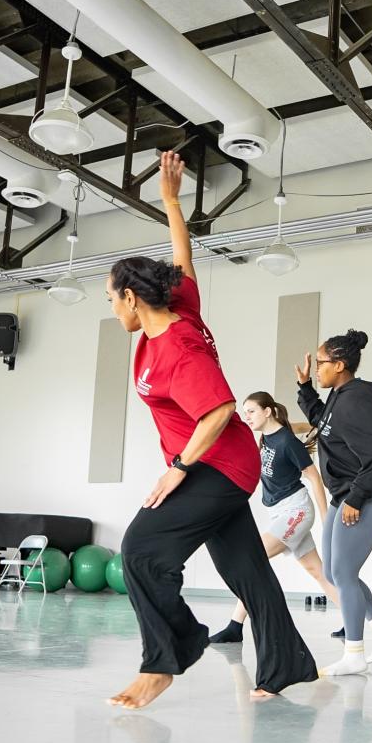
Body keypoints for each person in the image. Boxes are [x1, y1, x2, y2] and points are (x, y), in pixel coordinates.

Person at [105, 151, 317, 709]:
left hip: (218, 466)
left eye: (111, 299)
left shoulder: (177, 344)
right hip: (224, 464)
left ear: (130, 298)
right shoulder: (178, 307)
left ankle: (169, 656)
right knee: (244, 567)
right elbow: (184, 260)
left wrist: (177, 470)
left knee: (140, 549)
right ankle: (287, 665)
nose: (112, 309)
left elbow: (219, 409)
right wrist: (172, 203)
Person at [295, 330, 372, 676]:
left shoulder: (356, 400)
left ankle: (354, 653)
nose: (319, 368)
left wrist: (357, 497)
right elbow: (322, 424)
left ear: (339, 365)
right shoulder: (339, 397)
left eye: (322, 363)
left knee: (342, 572)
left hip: (369, 494)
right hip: (350, 494)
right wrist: (306, 388)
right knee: (334, 571)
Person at [206, 391, 343, 644]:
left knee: (251, 558)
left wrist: (327, 519)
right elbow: (294, 427)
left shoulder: (286, 442)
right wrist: (313, 425)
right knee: (318, 571)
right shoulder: (268, 436)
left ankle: (235, 627)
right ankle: (353, 618)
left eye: (251, 411)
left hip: (296, 511)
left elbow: (314, 477)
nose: (246, 416)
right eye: (245, 411)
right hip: (281, 511)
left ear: (267, 412)